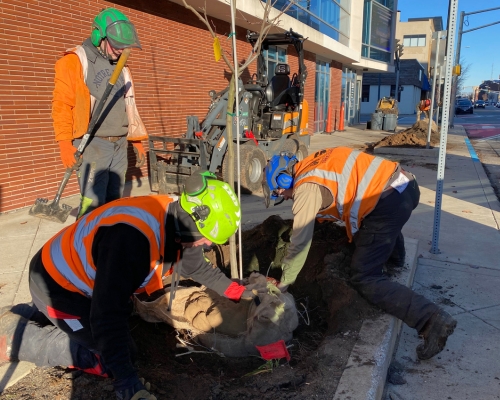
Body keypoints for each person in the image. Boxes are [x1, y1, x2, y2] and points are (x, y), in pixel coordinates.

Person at [0, 172, 253, 400]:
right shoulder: (130, 242)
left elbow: (195, 267)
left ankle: (30, 313)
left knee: (118, 321)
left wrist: (236, 291)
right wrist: (126, 382)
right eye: (206, 239)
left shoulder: (179, 219)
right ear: (192, 221)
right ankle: (17, 339)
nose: (208, 245)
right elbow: (106, 316)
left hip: (82, 277)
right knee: (113, 358)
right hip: (57, 285)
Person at [262, 147, 457, 360]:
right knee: (374, 231)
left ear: (283, 182)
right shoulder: (312, 164)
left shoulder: (306, 189)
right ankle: (396, 258)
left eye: (281, 194)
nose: (287, 199)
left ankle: (430, 319)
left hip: (388, 204)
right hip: (405, 187)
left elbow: (300, 243)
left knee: (365, 276)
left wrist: (285, 282)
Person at [53, 7, 148, 218]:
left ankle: (109, 240)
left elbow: (129, 105)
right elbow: (61, 104)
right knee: (92, 203)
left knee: (115, 199)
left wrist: (137, 140)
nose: (121, 51)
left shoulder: (122, 66)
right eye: (116, 46)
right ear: (99, 36)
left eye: (124, 47)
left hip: (119, 144)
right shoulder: (75, 60)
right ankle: (87, 241)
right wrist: (64, 143)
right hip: (93, 144)